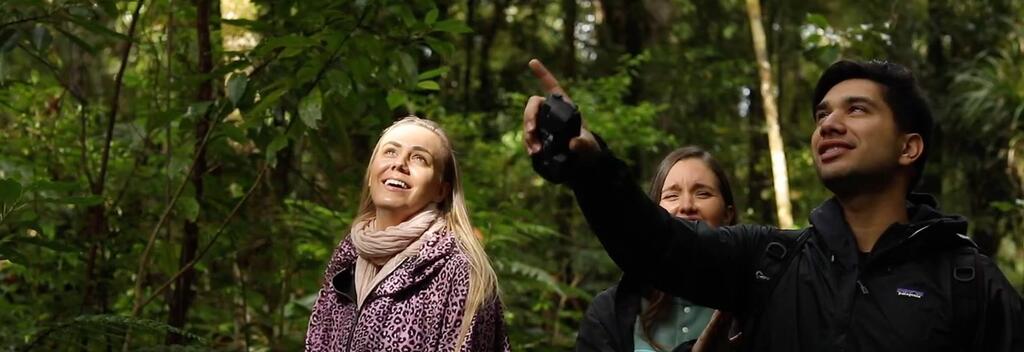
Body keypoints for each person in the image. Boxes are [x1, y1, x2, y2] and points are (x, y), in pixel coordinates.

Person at [523, 59, 1024, 351]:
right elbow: (657, 246)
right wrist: (589, 164)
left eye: (858, 109)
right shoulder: (771, 262)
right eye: (822, 113)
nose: (828, 123)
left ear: (908, 147)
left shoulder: (970, 283)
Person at [306, 116, 509, 351]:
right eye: (390, 152)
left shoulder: (459, 270)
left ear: (441, 191)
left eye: (419, 158)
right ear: (371, 175)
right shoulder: (347, 257)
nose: (399, 164)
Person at [576, 146, 739, 352]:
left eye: (703, 193)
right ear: (651, 212)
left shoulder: (759, 305)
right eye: (672, 196)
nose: (686, 205)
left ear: (728, 214)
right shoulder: (609, 313)